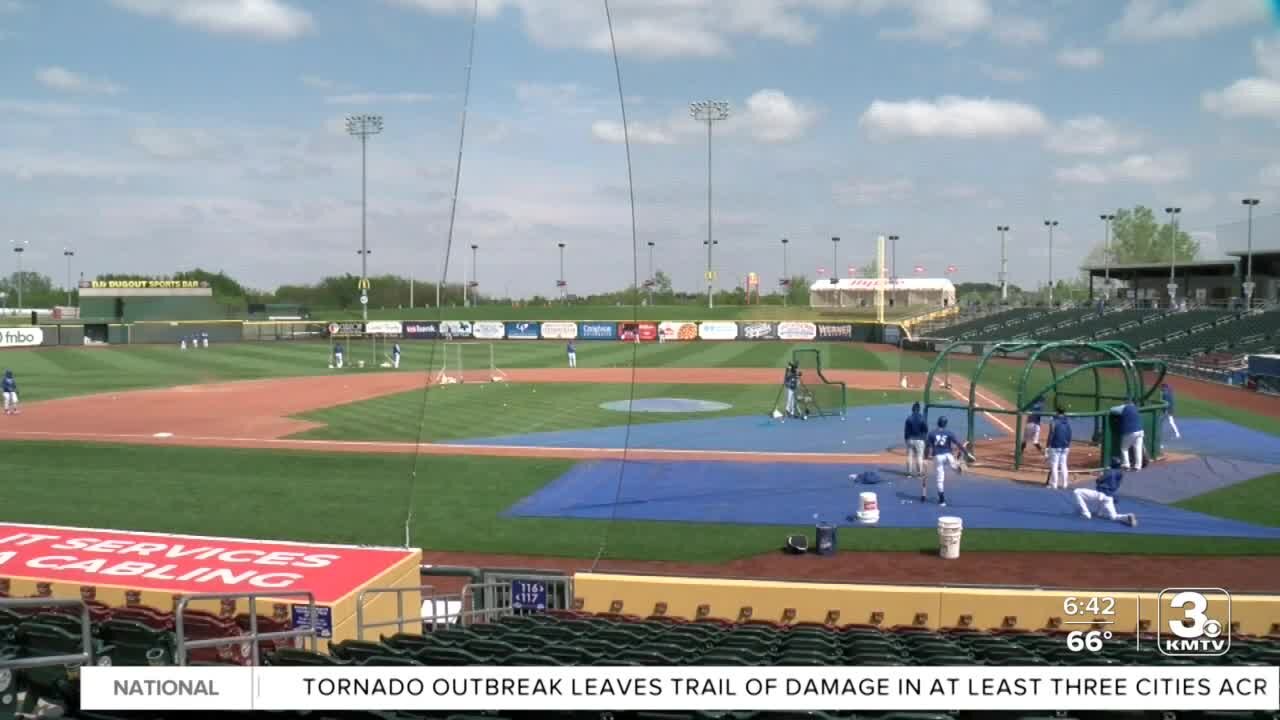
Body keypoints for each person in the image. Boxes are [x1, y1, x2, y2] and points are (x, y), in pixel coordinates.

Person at [1073, 459, 1138, 527]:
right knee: (1114, 517)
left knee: (1077, 491)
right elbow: (1116, 485)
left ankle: (1086, 513)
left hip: (1100, 494)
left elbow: (1098, 481)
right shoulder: (1120, 473)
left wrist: (1102, 474)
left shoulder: (1108, 471)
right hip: (1109, 497)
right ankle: (1127, 517)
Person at [924, 416, 964, 507]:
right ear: (945, 424)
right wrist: (966, 453)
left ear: (938, 422)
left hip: (937, 456)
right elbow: (958, 443)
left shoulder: (931, 433)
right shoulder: (949, 433)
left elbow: (927, 447)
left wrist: (925, 458)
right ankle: (956, 467)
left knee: (940, 479)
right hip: (948, 455)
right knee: (952, 463)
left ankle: (942, 501)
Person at [1111, 397, 1144, 470]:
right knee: (1138, 448)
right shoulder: (1135, 407)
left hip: (1130, 432)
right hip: (1140, 431)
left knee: (1124, 448)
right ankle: (1138, 466)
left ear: (1125, 401)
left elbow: (1112, 409)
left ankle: (1126, 465)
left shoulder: (1123, 407)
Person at [1047, 407, 1072, 489]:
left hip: (1055, 446)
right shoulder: (1067, 422)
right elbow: (1069, 435)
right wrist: (1067, 444)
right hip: (1065, 446)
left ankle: (1054, 484)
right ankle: (1065, 484)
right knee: (1063, 464)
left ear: (1057, 413)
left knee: (1054, 465)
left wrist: (1048, 446)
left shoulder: (1054, 421)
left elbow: (1051, 435)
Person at [903, 401, 928, 480]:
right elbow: (926, 429)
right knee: (919, 457)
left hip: (910, 439)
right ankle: (919, 474)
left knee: (909, 456)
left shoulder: (909, 418)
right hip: (920, 440)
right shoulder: (922, 418)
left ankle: (909, 474)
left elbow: (906, 431)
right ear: (919, 409)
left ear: (912, 409)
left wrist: (906, 440)